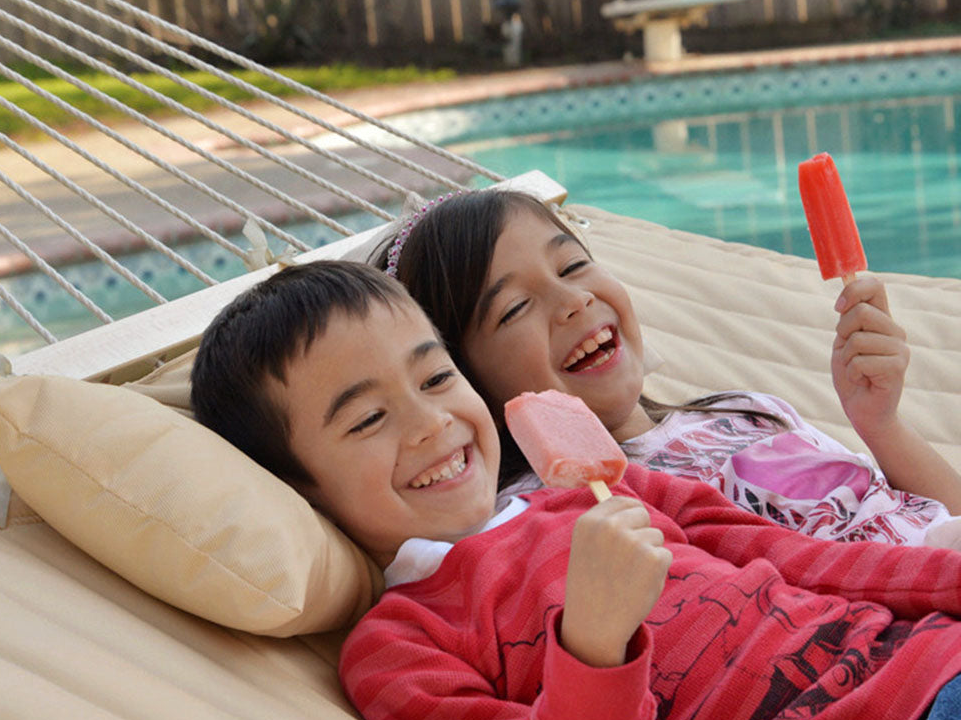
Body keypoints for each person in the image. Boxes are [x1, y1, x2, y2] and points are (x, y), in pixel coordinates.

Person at [190, 259, 961, 720]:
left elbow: (815, 566)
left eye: (434, 380)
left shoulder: (622, 486)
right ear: (302, 490)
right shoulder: (399, 647)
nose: (430, 424)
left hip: (932, 681)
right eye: (365, 421)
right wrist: (594, 645)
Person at [379, 189, 961, 549]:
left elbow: (939, 515)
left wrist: (879, 423)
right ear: (466, 378)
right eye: (514, 308)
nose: (574, 301)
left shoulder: (746, 411)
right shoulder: (573, 514)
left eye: (574, 265)